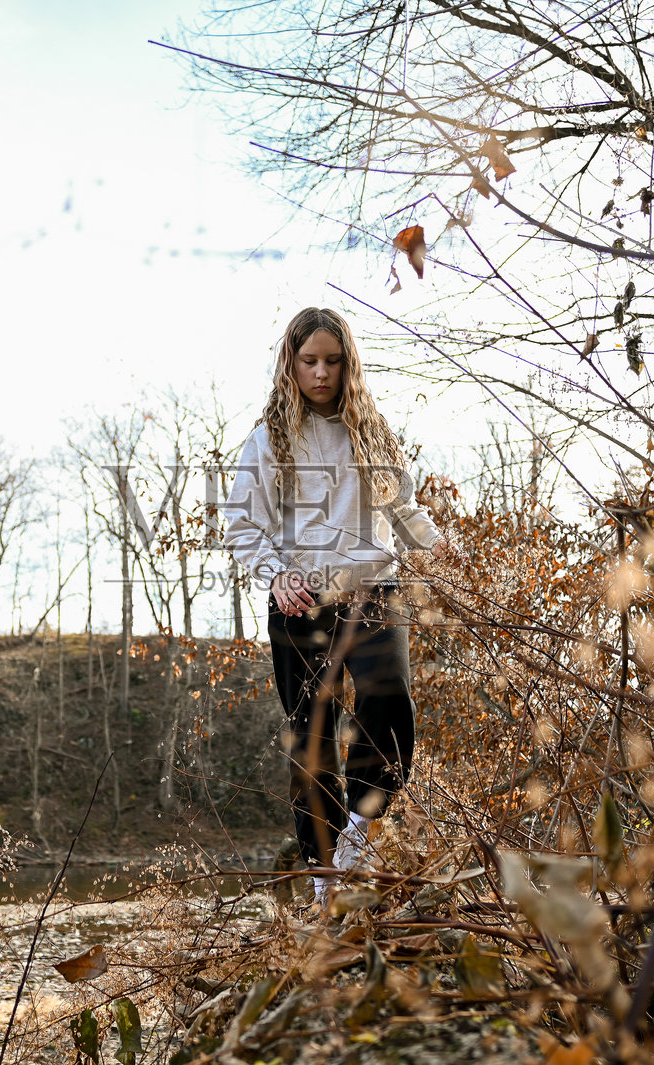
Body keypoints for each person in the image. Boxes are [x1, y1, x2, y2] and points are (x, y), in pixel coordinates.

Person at [222, 306, 453, 908]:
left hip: (374, 590)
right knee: (312, 732)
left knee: (390, 705)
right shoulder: (271, 437)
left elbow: (405, 508)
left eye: (332, 360)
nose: (321, 373)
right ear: (290, 365)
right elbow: (243, 523)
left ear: (348, 364)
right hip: (302, 599)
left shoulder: (371, 430)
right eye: (309, 361)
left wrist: (447, 552)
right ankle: (324, 875)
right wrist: (276, 576)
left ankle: (361, 831)